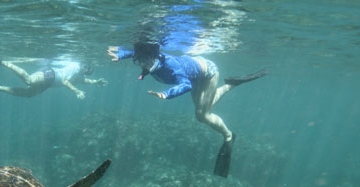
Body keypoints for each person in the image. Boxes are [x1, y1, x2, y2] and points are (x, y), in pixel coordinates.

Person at [107, 40, 267, 177]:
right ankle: (230, 84)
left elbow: (185, 85)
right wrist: (121, 54)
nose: (143, 65)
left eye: (146, 62)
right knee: (204, 107)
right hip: (195, 72)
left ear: (155, 58)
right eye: (139, 62)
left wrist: (166, 94)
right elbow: (136, 53)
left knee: (202, 115)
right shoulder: (148, 59)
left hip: (207, 73)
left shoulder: (169, 67)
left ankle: (228, 135)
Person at [0, 59, 106, 99]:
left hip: (48, 83)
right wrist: (76, 91)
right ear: (83, 67)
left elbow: (81, 80)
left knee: (29, 94)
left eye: (86, 74)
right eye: (84, 71)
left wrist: (95, 82)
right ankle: (3, 62)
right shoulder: (75, 66)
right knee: (29, 80)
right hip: (50, 74)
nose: (84, 74)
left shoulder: (80, 74)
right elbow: (65, 81)